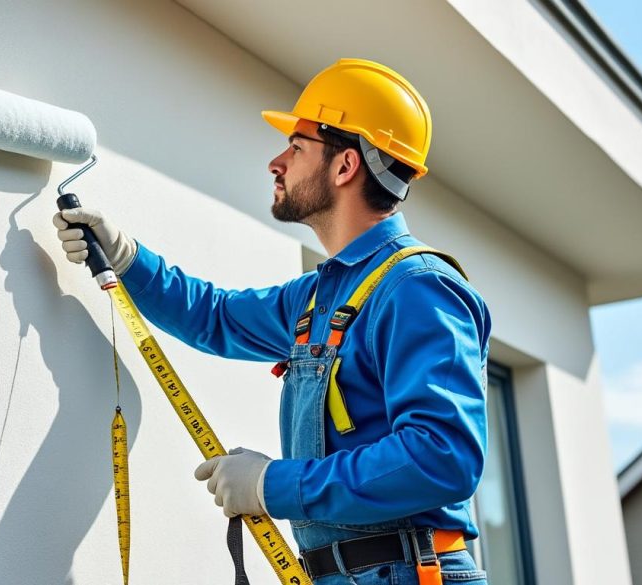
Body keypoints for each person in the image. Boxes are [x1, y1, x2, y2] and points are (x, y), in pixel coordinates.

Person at [54, 58, 491, 585]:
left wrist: (271, 486)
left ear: (345, 166)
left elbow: (441, 456)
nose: (276, 163)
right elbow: (214, 316)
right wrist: (125, 257)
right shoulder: (318, 297)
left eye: (297, 147)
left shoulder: (417, 289)